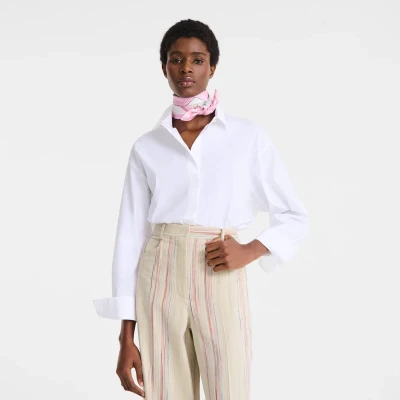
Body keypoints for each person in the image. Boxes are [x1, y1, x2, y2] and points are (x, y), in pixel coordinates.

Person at [93, 18, 308, 400]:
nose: (186, 68)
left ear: (213, 67)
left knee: (231, 389)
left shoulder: (247, 136)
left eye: (197, 59)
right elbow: (130, 238)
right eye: (176, 59)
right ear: (164, 68)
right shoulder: (147, 146)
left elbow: (293, 215)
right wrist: (126, 337)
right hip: (159, 268)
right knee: (168, 392)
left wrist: (251, 249)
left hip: (220, 268)